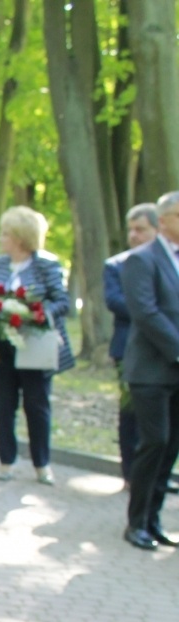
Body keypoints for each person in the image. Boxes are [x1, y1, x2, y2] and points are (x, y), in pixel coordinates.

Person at [0, 206, 73, 485]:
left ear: (21, 238)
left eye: (6, 234)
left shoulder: (46, 264)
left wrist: (34, 314)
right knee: (2, 402)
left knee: (37, 405)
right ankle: (6, 460)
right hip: (3, 345)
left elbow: (62, 303)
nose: (1, 238)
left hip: (35, 345)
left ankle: (41, 463)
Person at [118, 190, 179, 550]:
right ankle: (135, 521)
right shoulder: (141, 260)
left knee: (170, 447)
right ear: (165, 220)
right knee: (153, 442)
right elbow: (146, 312)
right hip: (151, 370)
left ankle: (153, 520)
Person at [104, 203, 158, 484]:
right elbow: (115, 301)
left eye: (141, 229)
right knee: (131, 411)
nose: (134, 235)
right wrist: (151, 312)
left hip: (164, 351)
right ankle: (131, 473)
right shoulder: (116, 265)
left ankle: (157, 473)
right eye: (131, 230)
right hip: (128, 348)